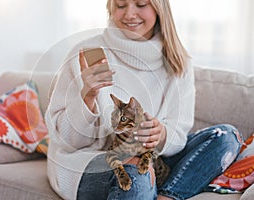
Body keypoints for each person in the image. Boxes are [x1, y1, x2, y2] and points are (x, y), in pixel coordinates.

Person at [45, 0, 243, 199]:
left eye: (141, 4)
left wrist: (162, 134)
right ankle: (146, 184)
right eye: (121, 5)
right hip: (89, 160)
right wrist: (87, 97)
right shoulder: (84, 53)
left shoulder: (178, 61)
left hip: (155, 159)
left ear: (159, 9)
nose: (130, 14)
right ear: (110, 8)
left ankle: (167, 195)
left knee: (226, 136)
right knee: (134, 174)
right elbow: (66, 141)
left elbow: (179, 133)